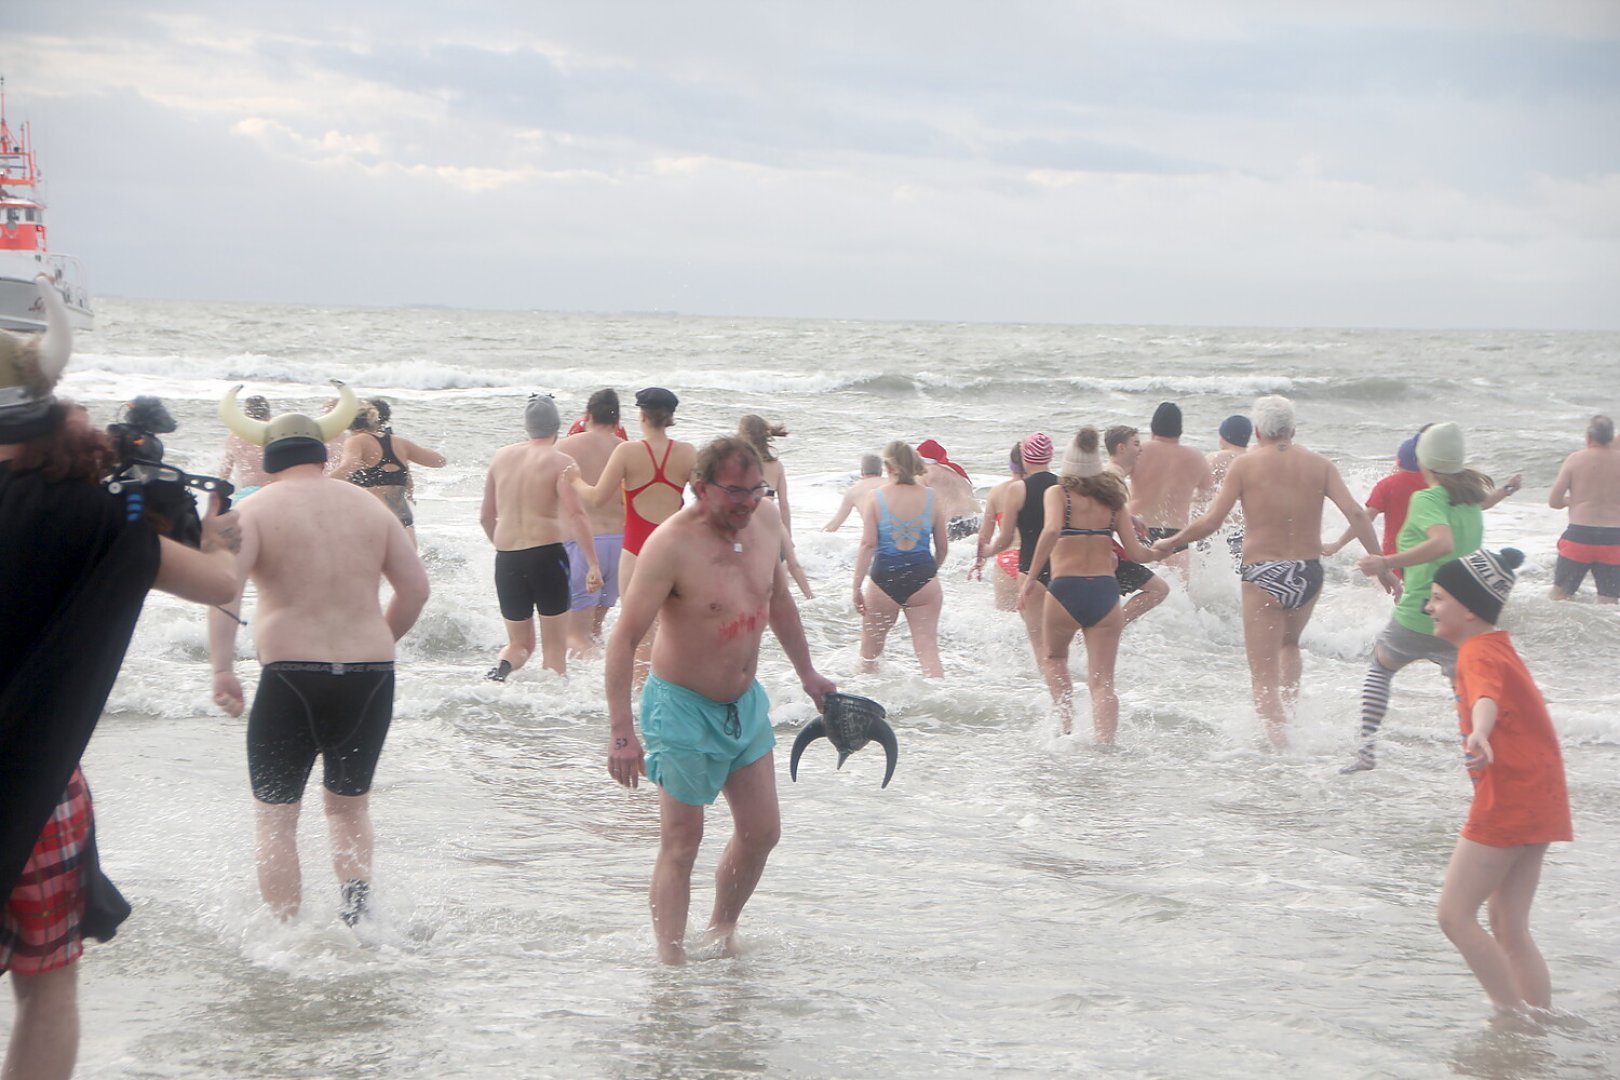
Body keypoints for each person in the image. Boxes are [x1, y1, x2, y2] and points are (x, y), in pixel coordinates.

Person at [2, 281, 239, 1080]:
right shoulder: (96, 519)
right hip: (36, 790)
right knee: (47, 984)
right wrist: (224, 538)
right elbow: (218, 585)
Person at [603, 436, 835, 965]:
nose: (748, 503)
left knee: (761, 832)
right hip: (680, 707)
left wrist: (808, 674)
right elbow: (623, 638)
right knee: (683, 840)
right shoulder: (670, 544)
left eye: (757, 490)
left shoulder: (766, 522)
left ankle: (720, 930)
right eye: (735, 492)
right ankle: (670, 962)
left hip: (745, 704)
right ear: (701, 487)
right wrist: (621, 731)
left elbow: (776, 601)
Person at [211, 382, 431, 925]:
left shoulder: (256, 510)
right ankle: (357, 918)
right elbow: (416, 591)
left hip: (291, 674)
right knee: (349, 808)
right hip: (370, 674)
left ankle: (287, 937)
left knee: (277, 819)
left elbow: (223, 593)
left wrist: (221, 668)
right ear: (322, 453)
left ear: (268, 456)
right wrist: (379, 640)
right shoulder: (369, 508)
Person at [1153, 396, 1397, 749]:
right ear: (1292, 430)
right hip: (1308, 572)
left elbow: (1211, 521)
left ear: (1256, 431)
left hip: (1264, 572)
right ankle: (1291, 720)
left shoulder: (1245, 465)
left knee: (1262, 679)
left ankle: (1284, 752)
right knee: (1289, 644)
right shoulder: (1321, 465)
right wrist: (1383, 566)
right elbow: (1358, 515)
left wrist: (1170, 542)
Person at [1427, 547, 1571, 1015]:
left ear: (1469, 608)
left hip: (1509, 797)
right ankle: (1540, 1020)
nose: (1429, 606)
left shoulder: (1477, 652)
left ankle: (1512, 1017)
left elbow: (1485, 695)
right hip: (1541, 796)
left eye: (1439, 597)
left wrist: (1481, 731)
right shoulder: (1497, 644)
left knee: (1454, 915)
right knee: (1508, 924)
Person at [1343, 423, 1496, 772]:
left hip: (1425, 608)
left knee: (1381, 666)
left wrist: (1386, 562)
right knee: (1467, 691)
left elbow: (1441, 543)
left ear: (1424, 462)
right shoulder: (1472, 500)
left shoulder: (1427, 497)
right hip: (1466, 618)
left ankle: (1366, 750)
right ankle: (1479, 759)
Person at [1019, 428, 1159, 740]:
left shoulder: (1058, 494)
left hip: (1066, 589)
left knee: (1054, 659)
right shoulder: (1114, 500)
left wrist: (1030, 579)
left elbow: (1052, 530)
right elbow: (1136, 553)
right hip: (1104, 592)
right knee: (1103, 683)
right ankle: (1105, 747)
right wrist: (1162, 548)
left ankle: (1067, 728)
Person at [571, 387, 697, 682]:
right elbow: (707, 502)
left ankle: (641, 692)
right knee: (673, 626)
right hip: (675, 551)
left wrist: (574, 480)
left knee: (637, 629)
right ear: (671, 418)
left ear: (641, 415)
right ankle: (672, 685)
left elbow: (596, 498)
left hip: (637, 548)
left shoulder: (627, 451)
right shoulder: (687, 453)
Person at [481, 395, 603, 679]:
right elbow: (576, 515)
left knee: (519, 644)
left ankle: (501, 668)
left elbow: (486, 516)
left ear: (527, 426)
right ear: (556, 427)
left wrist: (506, 548)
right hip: (547, 556)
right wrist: (593, 563)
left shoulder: (500, 457)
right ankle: (551, 712)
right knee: (554, 649)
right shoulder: (562, 461)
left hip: (507, 558)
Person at [853, 441, 949, 676]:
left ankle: (866, 705)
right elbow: (943, 547)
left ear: (888, 466)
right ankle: (939, 706)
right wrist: (928, 571)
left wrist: (856, 585)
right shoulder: (931, 497)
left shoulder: (876, 497)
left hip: (884, 578)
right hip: (923, 578)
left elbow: (868, 544)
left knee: (869, 655)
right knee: (928, 651)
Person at [555, 389, 628, 657]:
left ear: (587, 415)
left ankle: (592, 688)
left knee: (574, 635)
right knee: (594, 632)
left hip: (584, 547)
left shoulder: (564, 448)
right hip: (621, 548)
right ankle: (602, 681)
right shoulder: (628, 450)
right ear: (618, 419)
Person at [979, 432, 1058, 669]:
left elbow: (1002, 538)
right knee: (1063, 640)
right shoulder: (1065, 486)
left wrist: (987, 552)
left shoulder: (1013, 490)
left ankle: (1028, 684)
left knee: (1035, 643)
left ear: (1025, 457)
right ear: (1051, 455)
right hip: (1062, 568)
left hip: (1019, 566)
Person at [331, 397, 447, 545]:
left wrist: (319, 484)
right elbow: (439, 462)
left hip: (372, 520)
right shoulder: (399, 442)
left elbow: (349, 466)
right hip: (403, 521)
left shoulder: (356, 441)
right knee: (406, 566)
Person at [1130, 402, 1214, 580]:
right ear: (1180, 430)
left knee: (1139, 591)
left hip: (1138, 528)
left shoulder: (1139, 451)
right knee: (1180, 597)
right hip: (1177, 536)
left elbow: (1111, 478)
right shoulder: (1196, 457)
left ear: (1153, 427)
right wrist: (1186, 499)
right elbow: (1208, 495)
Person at [737, 414, 814, 598]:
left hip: (745, 527)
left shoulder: (739, 464)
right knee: (786, 574)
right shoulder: (776, 466)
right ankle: (811, 601)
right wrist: (788, 535)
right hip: (772, 527)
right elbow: (784, 505)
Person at [1548, 414, 1620, 604]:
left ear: (1588, 437)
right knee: (1609, 605)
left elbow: (1554, 501)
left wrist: (1573, 501)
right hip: (1614, 541)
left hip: (1579, 537)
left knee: (1559, 598)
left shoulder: (1575, 459)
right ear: (1611, 438)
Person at [1104, 424, 1170, 625]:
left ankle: (1106, 628)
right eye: (1136, 444)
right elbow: (1104, 514)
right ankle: (1114, 626)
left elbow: (1106, 510)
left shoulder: (1109, 471)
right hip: (1104, 550)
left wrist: (1129, 518)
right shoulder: (1114, 476)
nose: (1141, 449)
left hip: (1096, 548)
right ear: (1121, 448)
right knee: (1159, 589)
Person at [969, 443, 1026, 612]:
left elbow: (985, 535)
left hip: (1007, 560)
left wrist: (980, 561)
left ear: (1011, 464)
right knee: (1039, 627)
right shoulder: (1046, 489)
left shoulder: (997, 492)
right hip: (1037, 560)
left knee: (1005, 622)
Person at [1200, 415, 1252, 568]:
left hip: (1220, 532)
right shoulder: (1255, 460)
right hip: (1248, 532)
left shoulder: (1215, 458)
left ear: (1224, 436)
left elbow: (1202, 495)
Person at [916, 437, 981, 540]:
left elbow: (915, 504)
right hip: (974, 520)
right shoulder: (955, 472)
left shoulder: (923, 473)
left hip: (955, 522)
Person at [217, 394, 274, 500]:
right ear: (268, 414)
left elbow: (224, 474)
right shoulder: (277, 433)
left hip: (247, 495)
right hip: (274, 491)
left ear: (246, 414)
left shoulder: (235, 436)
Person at [821, 453, 884, 532]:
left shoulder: (853, 491)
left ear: (862, 471)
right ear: (881, 471)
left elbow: (834, 525)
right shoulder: (892, 485)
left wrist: (814, 537)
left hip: (872, 536)